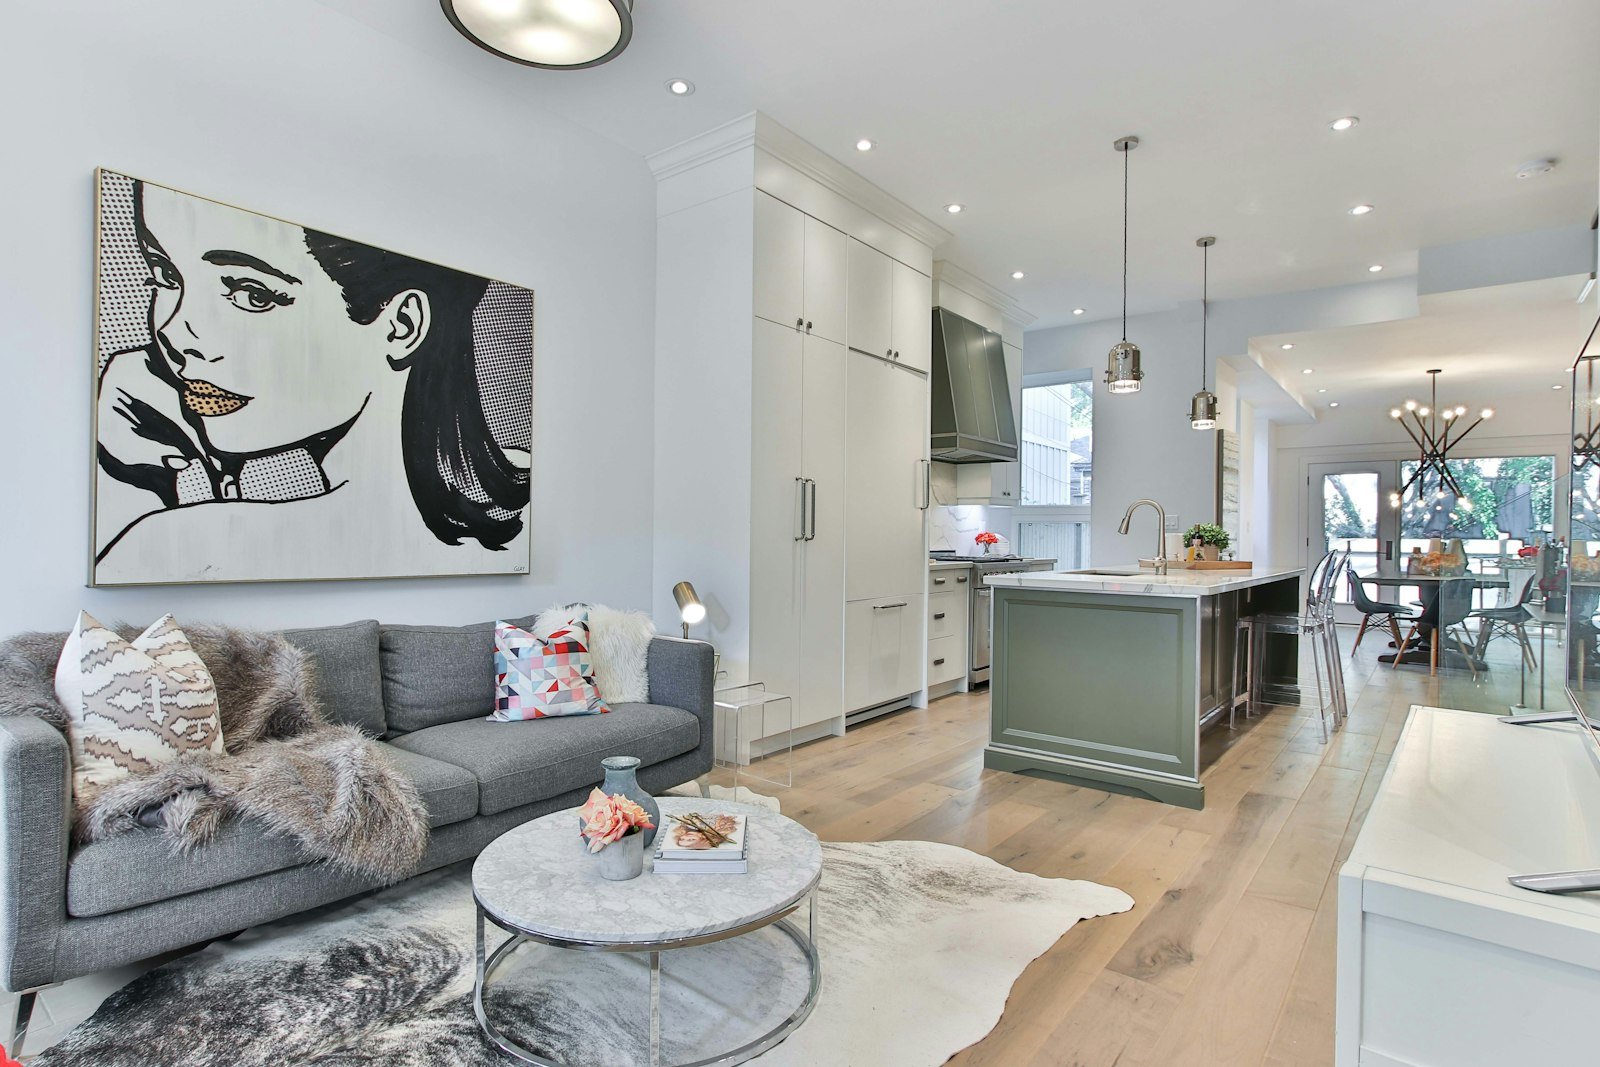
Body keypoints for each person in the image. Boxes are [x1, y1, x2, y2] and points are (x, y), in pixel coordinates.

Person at [94, 179, 530, 583]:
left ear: (401, 326)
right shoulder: (520, 496)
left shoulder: (184, 546)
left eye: (252, 294)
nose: (173, 332)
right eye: (167, 276)